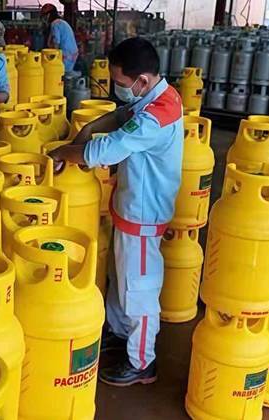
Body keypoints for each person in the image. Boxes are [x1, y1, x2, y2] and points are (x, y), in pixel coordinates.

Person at [47, 37, 183, 386]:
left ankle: (142, 362)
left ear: (143, 80)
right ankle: (121, 334)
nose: (116, 88)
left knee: (139, 290)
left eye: (120, 83)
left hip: (144, 216)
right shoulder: (157, 97)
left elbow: (105, 151)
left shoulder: (155, 118)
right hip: (131, 210)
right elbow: (124, 114)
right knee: (121, 281)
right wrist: (89, 127)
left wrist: (62, 152)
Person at [40, 3, 79, 72]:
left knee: (57, 73)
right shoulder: (61, 22)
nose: (44, 19)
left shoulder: (55, 24)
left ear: (48, 15)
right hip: (72, 54)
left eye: (44, 16)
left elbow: (56, 43)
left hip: (66, 57)